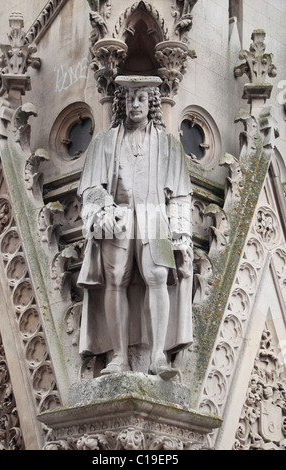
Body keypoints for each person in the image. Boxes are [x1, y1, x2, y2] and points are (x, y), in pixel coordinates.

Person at [77, 75, 193, 379]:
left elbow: (180, 194)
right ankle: (119, 357)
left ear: (152, 102)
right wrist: (101, 209)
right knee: (115, 279)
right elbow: (90, 187)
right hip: (118, 218)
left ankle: (157, 356)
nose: (135, 104)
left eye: (141, 98)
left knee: (157, 276)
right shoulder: (104, 142)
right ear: (121, 103)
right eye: (129, 99)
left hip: (156, 217)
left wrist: (181, 235)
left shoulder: (168, 144)